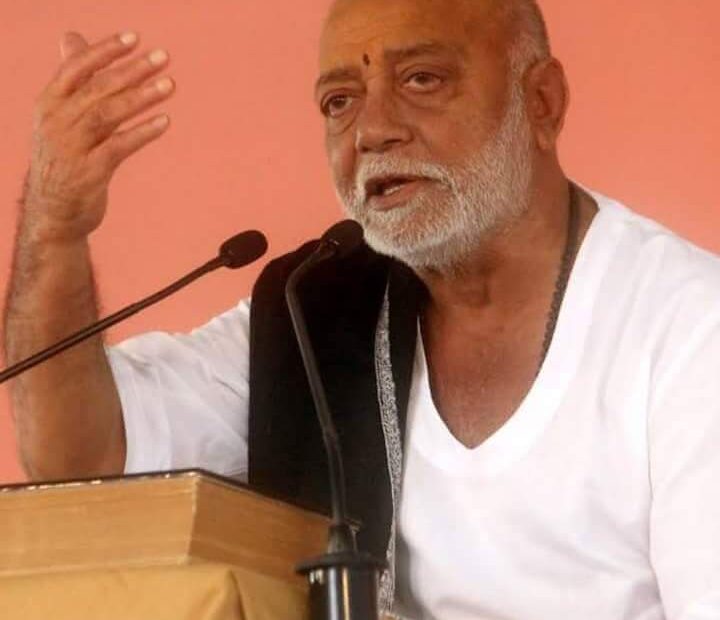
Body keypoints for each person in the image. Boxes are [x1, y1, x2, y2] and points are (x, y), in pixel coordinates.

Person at [3, 0, 720, 618]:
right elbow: (82, 458)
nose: (372, 130)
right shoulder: (318, 313)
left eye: (422, 79)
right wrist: (55, 228)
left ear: (541, 102)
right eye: (339, 101)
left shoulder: (688, 327)